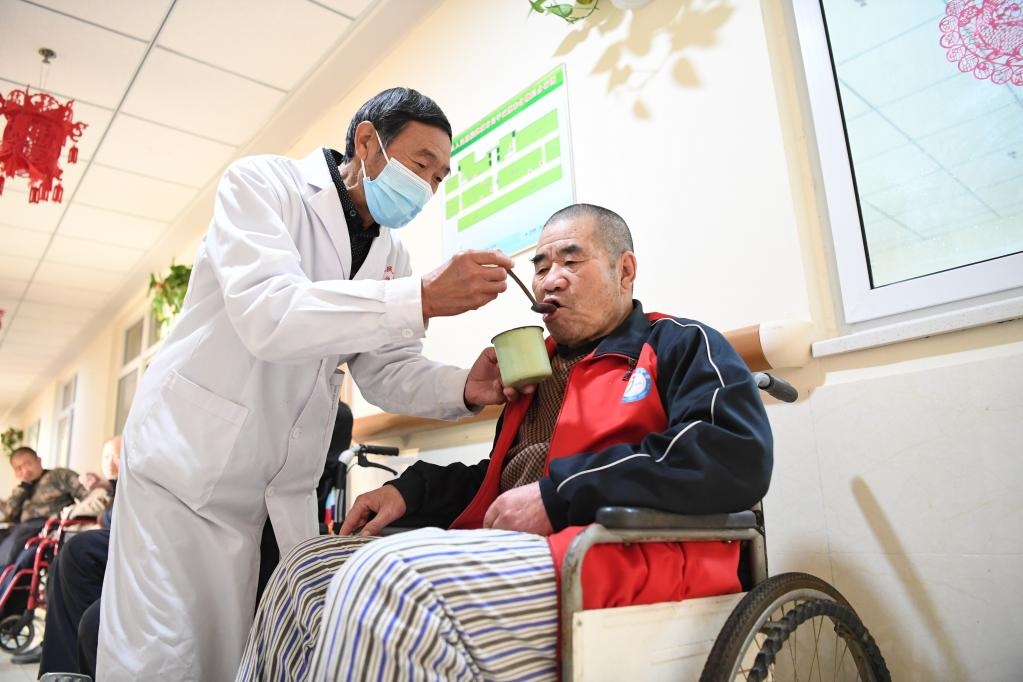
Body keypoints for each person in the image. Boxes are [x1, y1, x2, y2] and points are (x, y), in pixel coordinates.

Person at [236, 203, 773, 681]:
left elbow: (732, 453)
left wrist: (558, 496)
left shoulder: (679, 344)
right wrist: (410, 491)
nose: (549, 281)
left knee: (393, 581)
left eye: (570, 261)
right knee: (305, 567)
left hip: (620, 555)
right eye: (540, 267)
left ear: (624, 269)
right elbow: (505, 477)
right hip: (523, 550)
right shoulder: (535, 369)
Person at [98, 87, 522, 681]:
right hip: (187, 469)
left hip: (277, 490)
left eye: (439, 177)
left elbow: (385, 370)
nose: (427, 188)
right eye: (421, 164)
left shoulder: (391, 253)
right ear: (367, 141)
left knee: (258, 657)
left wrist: (464, 388)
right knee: (165, 659)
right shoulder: (263, 186)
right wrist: (420, 298)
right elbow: (270, 314)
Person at [0, 447, 88, 569]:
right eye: (19, 468)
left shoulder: (58, 475)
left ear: (39, 460)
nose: (25, 471)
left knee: (15, 545)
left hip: (48, 525)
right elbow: (9, 513)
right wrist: (24, 487)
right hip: (21, 528)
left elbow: (88, 493)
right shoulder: (21, 490)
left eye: (28, 464)